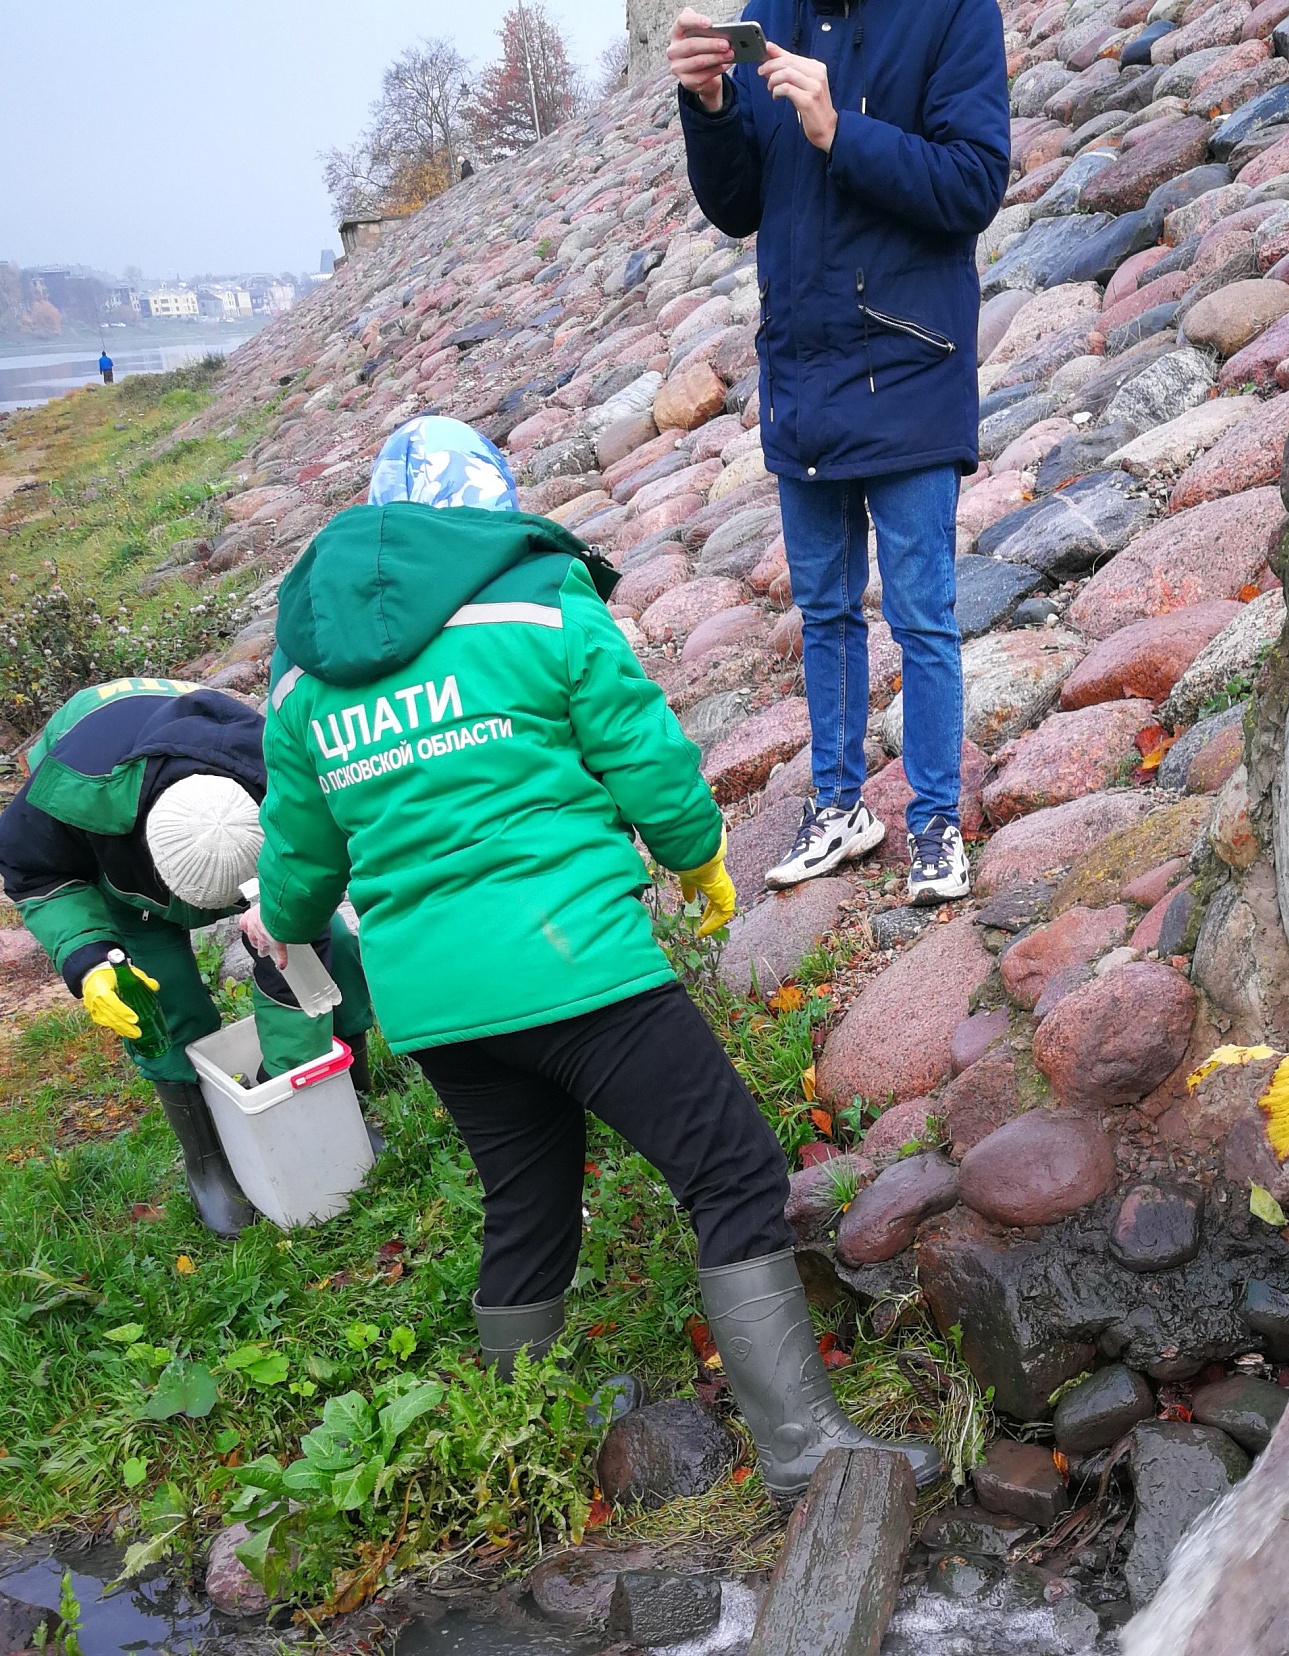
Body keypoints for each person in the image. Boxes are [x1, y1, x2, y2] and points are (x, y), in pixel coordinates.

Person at [253, 416, 940, 1499]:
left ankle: (524, 1448)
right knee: (734, 1171)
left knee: (526, 1202)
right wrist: (702, 861)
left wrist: (280, 923)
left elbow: (298, 864)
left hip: (433, 1004)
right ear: (484, 507)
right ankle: (808, 1460)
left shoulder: (302, 678)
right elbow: (647, 759)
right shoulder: (535, 599)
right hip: (573, 964)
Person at [670, 0, 1010, 905]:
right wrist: (708, 108)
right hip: (803, 377)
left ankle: (936, 823)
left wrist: (839, 130)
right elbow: (736, 205)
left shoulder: (953, 11)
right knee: (823, 613)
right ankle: (840, 808)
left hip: (910, 364)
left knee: (922, 614)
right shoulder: (770, 12)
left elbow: (974, 184)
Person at [0, 678, 376, 1236]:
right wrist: (88, 959)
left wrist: (283, 1075)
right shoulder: (65, 799)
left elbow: (309, 909)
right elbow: (36, 876)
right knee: (162, 999)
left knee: (331, 953)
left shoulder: (276, 767)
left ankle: (350, 1095)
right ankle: (208, 1161)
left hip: (231, 820)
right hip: (122, 854)